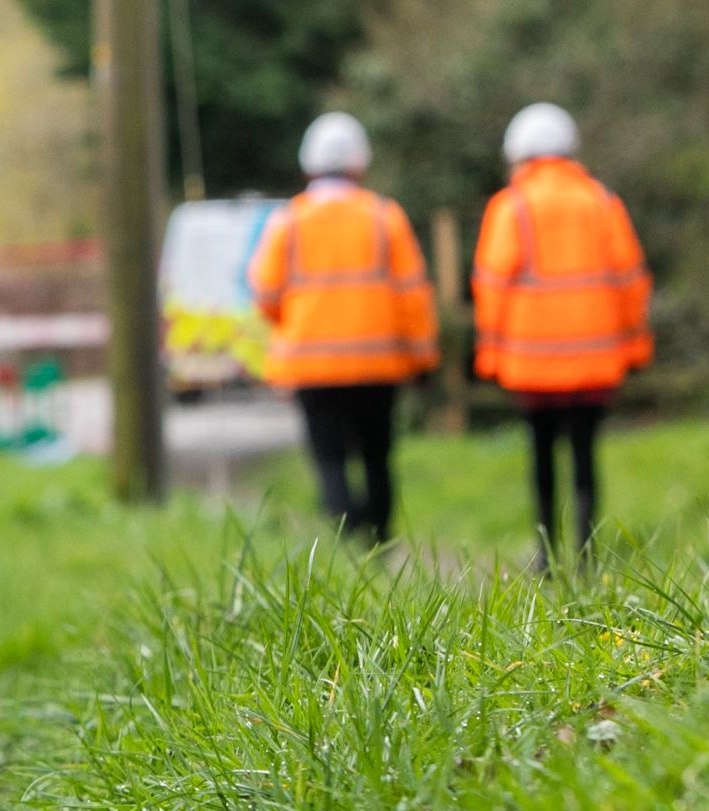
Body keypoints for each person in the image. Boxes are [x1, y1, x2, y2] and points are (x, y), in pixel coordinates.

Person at [472, 103, 652, 569]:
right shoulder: (602, 202)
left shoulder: (510, 207)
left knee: (541, 454)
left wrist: (490, 353)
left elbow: (491, 285)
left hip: (531, 363)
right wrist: (635, 345)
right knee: (585, 452)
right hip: (596, 361)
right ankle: (588, 551)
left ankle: (546, 553)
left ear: (519, 154)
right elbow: (631, 278)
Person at [249, 112, 438, 546]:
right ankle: (382, 541)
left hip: (311, 367)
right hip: (378, 364)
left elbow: (265, 293)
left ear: (308, 165)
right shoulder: (384, 217)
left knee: (328, 458)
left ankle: (349, 541)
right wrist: (422, 359)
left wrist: (295, 326)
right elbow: (412, 296)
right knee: (377, 456)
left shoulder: (288, 222)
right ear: (360, 164)